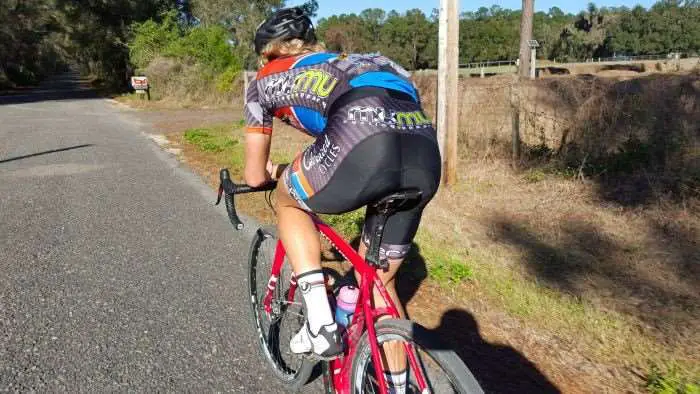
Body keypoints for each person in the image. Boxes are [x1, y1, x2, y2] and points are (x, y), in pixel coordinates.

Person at [244, 6, 441, 391]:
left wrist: (278, 173)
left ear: (268, 54)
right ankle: (399, 385)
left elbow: (254, 175)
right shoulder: (366, 59)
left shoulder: (264, 79)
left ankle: (320, 322)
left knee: (288, 198)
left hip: (359, 140)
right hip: (423, 148)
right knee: (380, 284)